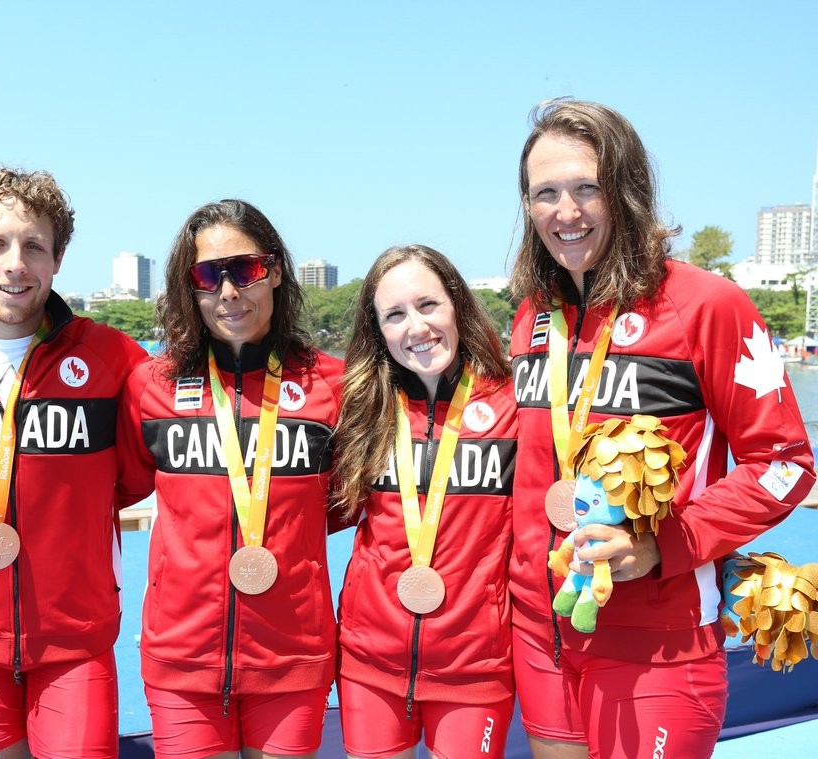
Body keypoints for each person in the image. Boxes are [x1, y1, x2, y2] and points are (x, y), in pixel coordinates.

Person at [507, 98, 816, 759]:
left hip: (660, 645)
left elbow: (787, 464)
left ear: (627, 189)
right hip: (542, 638)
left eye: (588, 187)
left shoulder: (709, 304)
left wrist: (667, 546)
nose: (567, 212)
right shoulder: (532, 316)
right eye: (546, 193)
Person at [0, 167, 150, 758]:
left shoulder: (111, 355)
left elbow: (138, 472)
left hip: (76, 637)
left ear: (58, 258)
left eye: (34, 246)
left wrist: (74, 502)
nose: (14, 263)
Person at [117, 199, 342, 758]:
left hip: (292, 653)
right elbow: (117, 487)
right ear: (188, 287)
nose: (228, 291)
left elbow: (347, 505)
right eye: (207, 275)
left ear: (276, 271)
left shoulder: (333, 385)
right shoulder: (152, 386)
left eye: (245, 269)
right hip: (182, 657)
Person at [333, 245, 517, 759]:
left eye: (427, 305)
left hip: (474, 664)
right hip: (370, 662)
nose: (416, 327)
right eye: (394, 314)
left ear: (457, 304)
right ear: (379, 331)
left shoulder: (514, 405)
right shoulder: (363, 409)